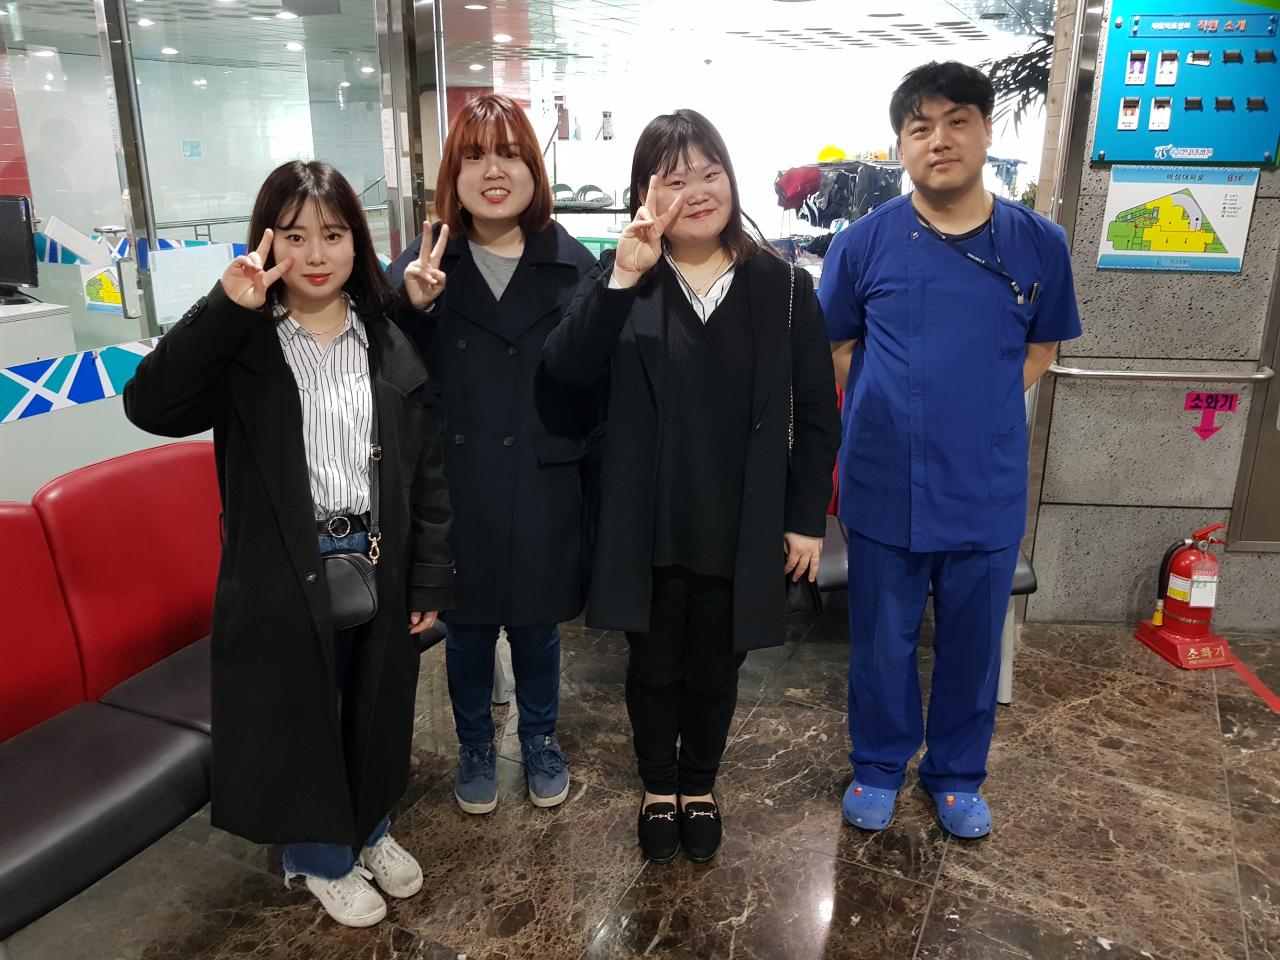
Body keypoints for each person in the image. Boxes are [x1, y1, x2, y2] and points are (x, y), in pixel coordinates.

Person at [123, 160, 454, 927]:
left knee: (373, 705)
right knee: (303, 717)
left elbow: (427, 472)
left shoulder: (383, 337)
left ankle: (370, 829)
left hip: (377, 557)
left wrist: (430, 578)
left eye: (333, 234)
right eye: (296, 236)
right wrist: (223, 309)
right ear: (267, 242)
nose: (315, 254)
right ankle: (319, 858)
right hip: (282, 569)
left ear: (357, 242)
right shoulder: (246, 343)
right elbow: (150, 405)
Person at [544, 110, 840, 863]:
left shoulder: (782, 286)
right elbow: (565, 370)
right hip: (647, 520)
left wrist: (806, 518)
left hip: (742, 520)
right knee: (651, 666)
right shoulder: (626, 274)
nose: (698, 191)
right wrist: (622, 275)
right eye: (675, 179)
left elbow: (816, 409)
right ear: (646, 195)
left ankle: (699, 784)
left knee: (716, 666)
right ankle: (657, 787)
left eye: (711, 173)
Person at [821, 62, 1082, 839]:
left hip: (985, 484)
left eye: (957, 121)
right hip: (885, 482)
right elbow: (837, 346)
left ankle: (958, 775)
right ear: (901, 145)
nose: (940, 140)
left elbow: (1042, 349)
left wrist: (978, 405)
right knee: (882, 642)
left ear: (986, 131)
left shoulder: (1038, 243)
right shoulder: (862, 244)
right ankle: (878, 765)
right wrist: (898, 407)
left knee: (972, 645)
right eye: (920, 127)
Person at [387, 93, 597, 816]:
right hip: (457, 481)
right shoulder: (422, 263)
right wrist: (412, 309)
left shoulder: (572, 264)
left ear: (535, 169)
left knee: (537, 626)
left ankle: (540, 737)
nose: (493, 171)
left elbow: (595, 379)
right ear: (453, 174)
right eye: (474, 157)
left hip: (543, 474)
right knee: (469, 629)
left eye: (510, 154)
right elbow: (391, 375)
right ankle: (475, 743)